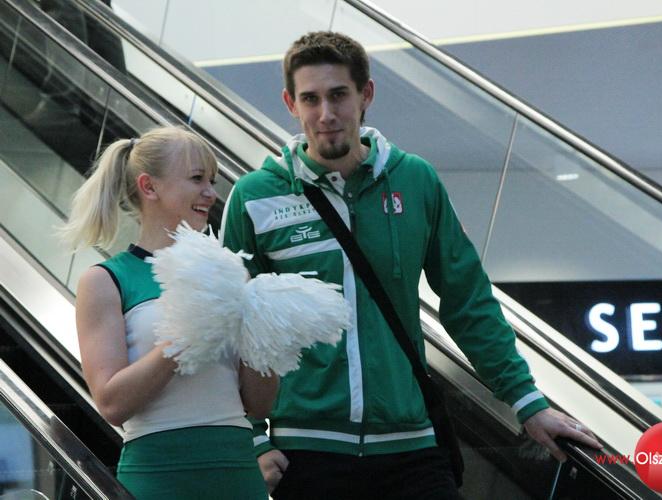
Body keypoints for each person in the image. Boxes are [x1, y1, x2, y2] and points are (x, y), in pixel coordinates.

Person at [220, 32, 602, 499]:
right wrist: (250, 436)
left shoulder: (416, 181)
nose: (326, 114)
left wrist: (527, 402)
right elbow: (229, 330)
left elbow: (468, 301)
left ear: (366, 94)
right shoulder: (256, 196)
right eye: (310, 99)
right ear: (290, 104)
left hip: (412, 447)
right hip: (307, 450)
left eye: (338, 95)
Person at [62, 126, 278, 499]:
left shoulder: (230, 272)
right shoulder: (105, 280)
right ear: (149, 187)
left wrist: (268, 335)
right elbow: (111, 403)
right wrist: (183, 339)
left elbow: (260, 403)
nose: (211, 193)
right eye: (197, 179)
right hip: (157, 477)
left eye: (211, 181)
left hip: (238, 474)